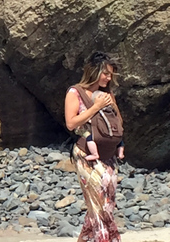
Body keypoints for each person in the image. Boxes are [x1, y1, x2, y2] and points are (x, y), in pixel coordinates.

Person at [64, 51, 125, 242]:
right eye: (106, 73)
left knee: (106, 204)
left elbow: (119, 122)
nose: (108, 77)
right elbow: (71, 123)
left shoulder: (107, 94)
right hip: (85, 155)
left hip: (108, 157)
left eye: (111, 74)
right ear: (94, 71)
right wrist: (96, 106)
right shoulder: (75, 92)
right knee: (99, 205)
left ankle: (83, 239)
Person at [84, 90, 123, 161]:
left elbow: (89, 119)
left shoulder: (96, 111)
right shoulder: (112, 110)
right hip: (117, 137)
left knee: (89, 138)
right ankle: (120, 153)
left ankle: (94, 154)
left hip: (103, 136)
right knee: (120, 139)